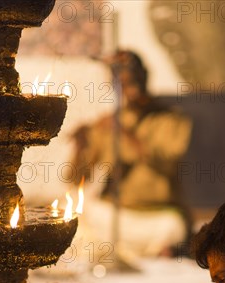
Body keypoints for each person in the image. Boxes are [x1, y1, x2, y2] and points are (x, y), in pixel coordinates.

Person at [69, 50, 192, 258]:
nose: (130, 89)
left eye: (133, 80)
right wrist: (80, 147)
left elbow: (167, 163)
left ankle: (137, 251)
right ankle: (129, 252)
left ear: (144, 78)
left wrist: (125, 133)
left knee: (174, 228)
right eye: (123, 83)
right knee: (76, 216)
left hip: (156, 216)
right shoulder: (106, 124)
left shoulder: (171, 120)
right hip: (115, 215)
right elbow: (76, 179)